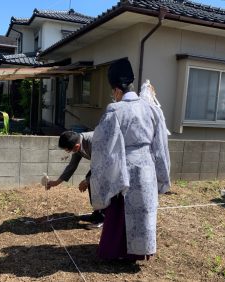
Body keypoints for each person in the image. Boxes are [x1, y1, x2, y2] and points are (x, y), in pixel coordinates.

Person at [90, 58, 171, 262]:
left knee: (120, 212)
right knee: (144, 211)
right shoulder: (152, 109)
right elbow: (161, 144)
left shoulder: (115, 110)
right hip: (147, 168)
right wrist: (162, 173)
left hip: (123, 167)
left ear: (117, 90)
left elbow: (103, 145)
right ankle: (140, 251)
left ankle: (117, 252)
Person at [46, 131, 104, 226]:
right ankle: (97, 214)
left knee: (97, 184)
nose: (68, 152)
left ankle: (103, 218)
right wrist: (56, 182)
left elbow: (103, 166)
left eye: (68, 150)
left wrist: (88, 180)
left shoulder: (94, 143)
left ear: (76, 147)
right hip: (101, 164)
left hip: (112, 163)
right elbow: (72, 165)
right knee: (90, 181)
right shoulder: (77, 142)